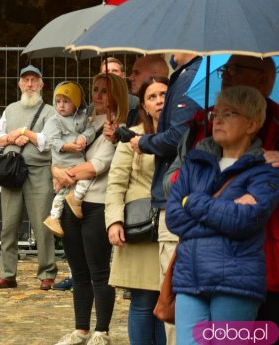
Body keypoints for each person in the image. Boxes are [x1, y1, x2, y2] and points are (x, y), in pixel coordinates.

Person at [164, 55, 279, 327]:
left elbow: (248, 217)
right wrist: (223, 205)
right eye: (225, 69)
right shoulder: (203, 121)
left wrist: (193, 198)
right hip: (201, 265)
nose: (226, 75)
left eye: (236, 69)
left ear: (264, 79)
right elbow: (172, 185)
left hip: (267, 260)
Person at [127, 52, 201, 345]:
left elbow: (177, 139)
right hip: (180, 200)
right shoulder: (192, 75)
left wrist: (144, 143)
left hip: (177, 200)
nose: (171, 53)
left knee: (174, 295)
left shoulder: (187, 78)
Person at [52, 72, 128, 345]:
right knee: (78, 270)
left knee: (98, 271)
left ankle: (101, 330)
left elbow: (97, 166)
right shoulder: (83, 122)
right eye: (95, 89)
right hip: (73, 200)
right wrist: (58, 170)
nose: (97, 95)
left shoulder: (116, 126)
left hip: (98, 202)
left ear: (116, 95)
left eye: (105, 91)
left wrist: (64, 174)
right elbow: (60, 153)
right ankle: (81, 328)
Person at [105, 77, 169, 345]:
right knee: (142, 302)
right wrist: (114, 221)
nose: (159, 101)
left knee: (168, 302)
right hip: (139, 227)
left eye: (164, 94)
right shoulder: (131, 136)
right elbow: (116, 183)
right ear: (143, 104)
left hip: (170, 225)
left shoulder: (182, 135)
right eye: (152, 97)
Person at [0, 65, 57, 291]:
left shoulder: (50, 111)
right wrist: (12, 137)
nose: (29, 84)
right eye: (26, 80)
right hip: (13, 171)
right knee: (8, 226)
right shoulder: (10, 109)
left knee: (42, 225)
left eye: (34, 80)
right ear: (19, 83)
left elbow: (46, 141)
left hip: (39, 171)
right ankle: (7, 274)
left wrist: (22, 133)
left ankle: (47, 272)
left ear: (41, 84)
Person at [42, 81, 94, 237]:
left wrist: (84, 138)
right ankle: (71, 204)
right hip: (64, 162)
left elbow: (90, 129)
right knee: (83, 179)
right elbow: (51, 139)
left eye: (66, 101)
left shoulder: (82, 117)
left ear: (76, 103)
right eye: (58, 102)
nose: (61, 106)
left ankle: (56, 215)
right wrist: (66, 146)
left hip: (78, 161)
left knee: (67, 189)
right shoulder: (54, 120)